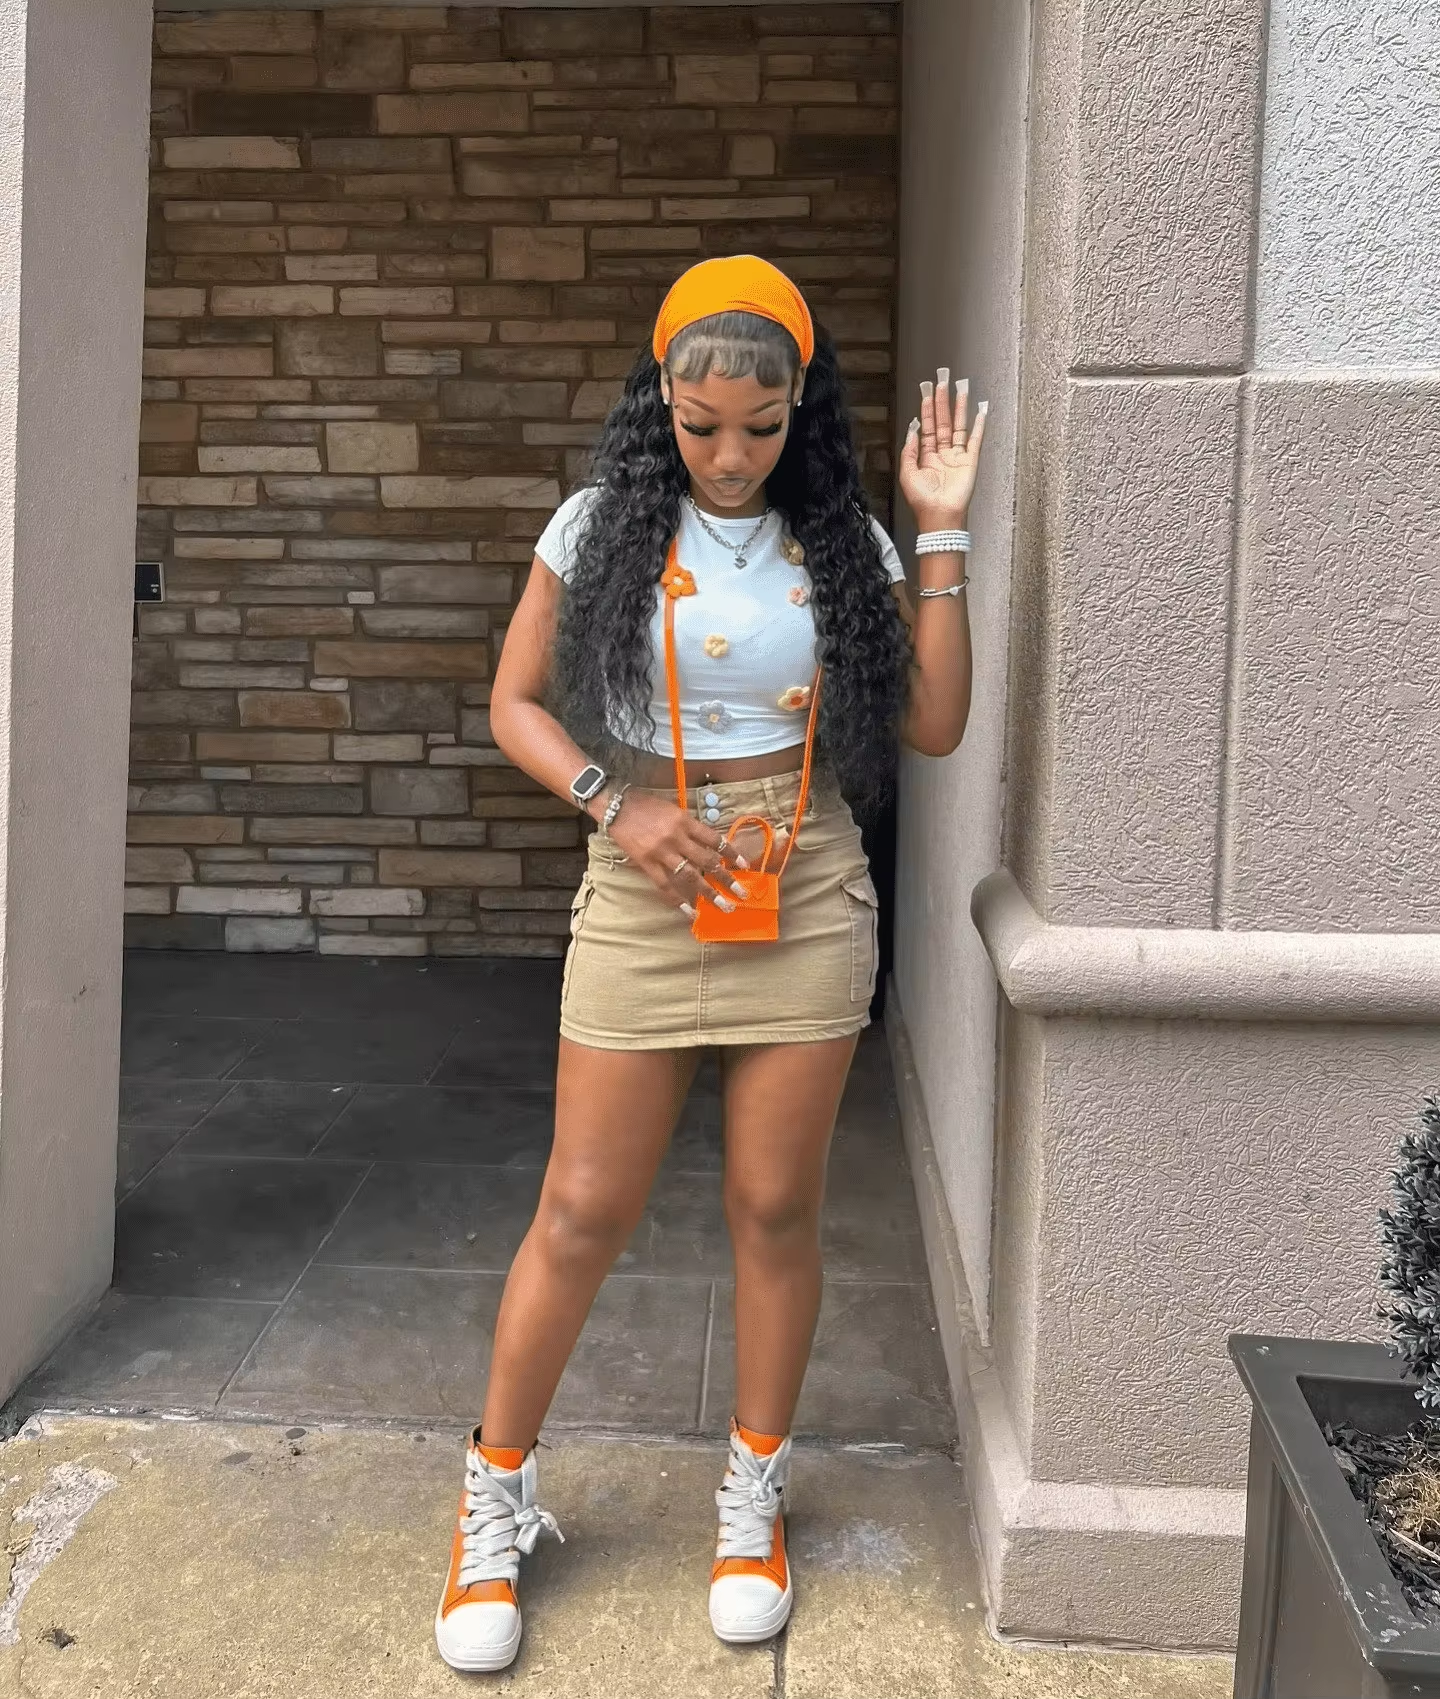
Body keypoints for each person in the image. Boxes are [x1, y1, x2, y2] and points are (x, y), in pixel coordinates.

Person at [433, 255, 985, 1672]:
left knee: (774, 1207)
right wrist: (614, 804)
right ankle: (492, 1502)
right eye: (701, 425)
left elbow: (932, 725)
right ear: (659, 404)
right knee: (581, 1207)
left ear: (802, 410)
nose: (732, 455)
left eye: (761, 426)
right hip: (644, 881)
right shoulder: (594, 527)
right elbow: (512, 703)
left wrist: (937, 533)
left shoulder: (842, 539)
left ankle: (753, 1502)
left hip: (803, 884)